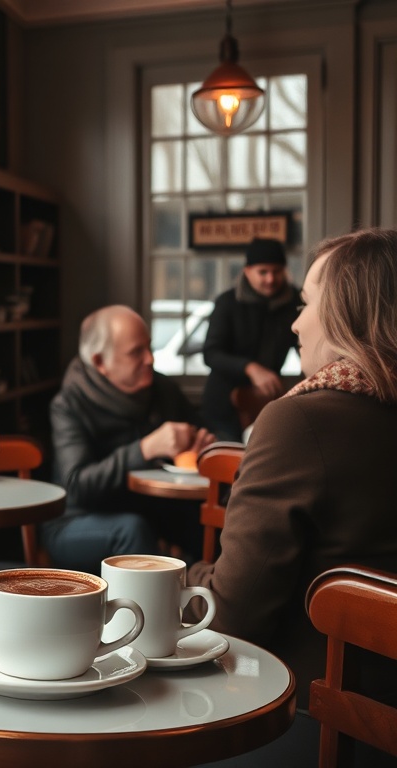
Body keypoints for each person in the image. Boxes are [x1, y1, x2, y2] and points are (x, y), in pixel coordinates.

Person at [189, 229, 397, 767]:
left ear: (346, 316)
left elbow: (233, 615)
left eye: (306, 304)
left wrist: (180, 578)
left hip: (315, 713)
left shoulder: (298, 421)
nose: (295, 322)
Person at [42, 305, 215, 574]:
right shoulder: (69, 404)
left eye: (149, 347)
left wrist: (203, 446)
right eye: (136, 352)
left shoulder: (162, 389)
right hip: (75, 521)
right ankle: (153, 614)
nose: (150, 359)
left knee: (209, 523)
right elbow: (78, 485)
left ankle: (210, 606)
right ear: (100, 362)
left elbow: (209, 433)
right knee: (132, 529)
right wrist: (146, 448)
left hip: (151, 508)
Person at [201, 237, 301, 442]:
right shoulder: (228, 302)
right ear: (247, 271)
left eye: (277, 271)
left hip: (266, 404)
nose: (271, 279)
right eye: (263, 272)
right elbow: (211, 353)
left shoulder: (295, 303)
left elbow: (303, 345)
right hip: (223, 407)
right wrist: (250, 368)